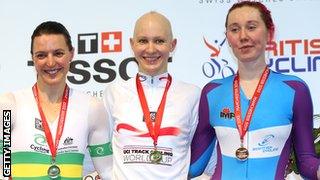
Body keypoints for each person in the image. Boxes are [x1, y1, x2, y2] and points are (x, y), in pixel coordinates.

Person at [189, 1, 320, 179]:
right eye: (234, 29)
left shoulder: (294, 90)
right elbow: (194, 165)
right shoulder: (212, 92)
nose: (243, 36)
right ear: (227, 37)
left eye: (251, 27)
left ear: (269, 32)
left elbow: (306, 162)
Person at [0, 21, 112, 179]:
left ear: (71, 54)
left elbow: (107, 171)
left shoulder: (92, 107)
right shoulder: (8, 106)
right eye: (41, 55)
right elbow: (2, 168)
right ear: (32, 57)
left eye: (58, 53)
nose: (50, 62)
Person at [103, 11, 200, 179]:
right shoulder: (114, 92)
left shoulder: (192, 94)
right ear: (132, 45)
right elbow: (102, 151)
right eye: (143, 41)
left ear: (172, 45)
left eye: (159, 41)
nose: (150, 49)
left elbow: (199, 153)